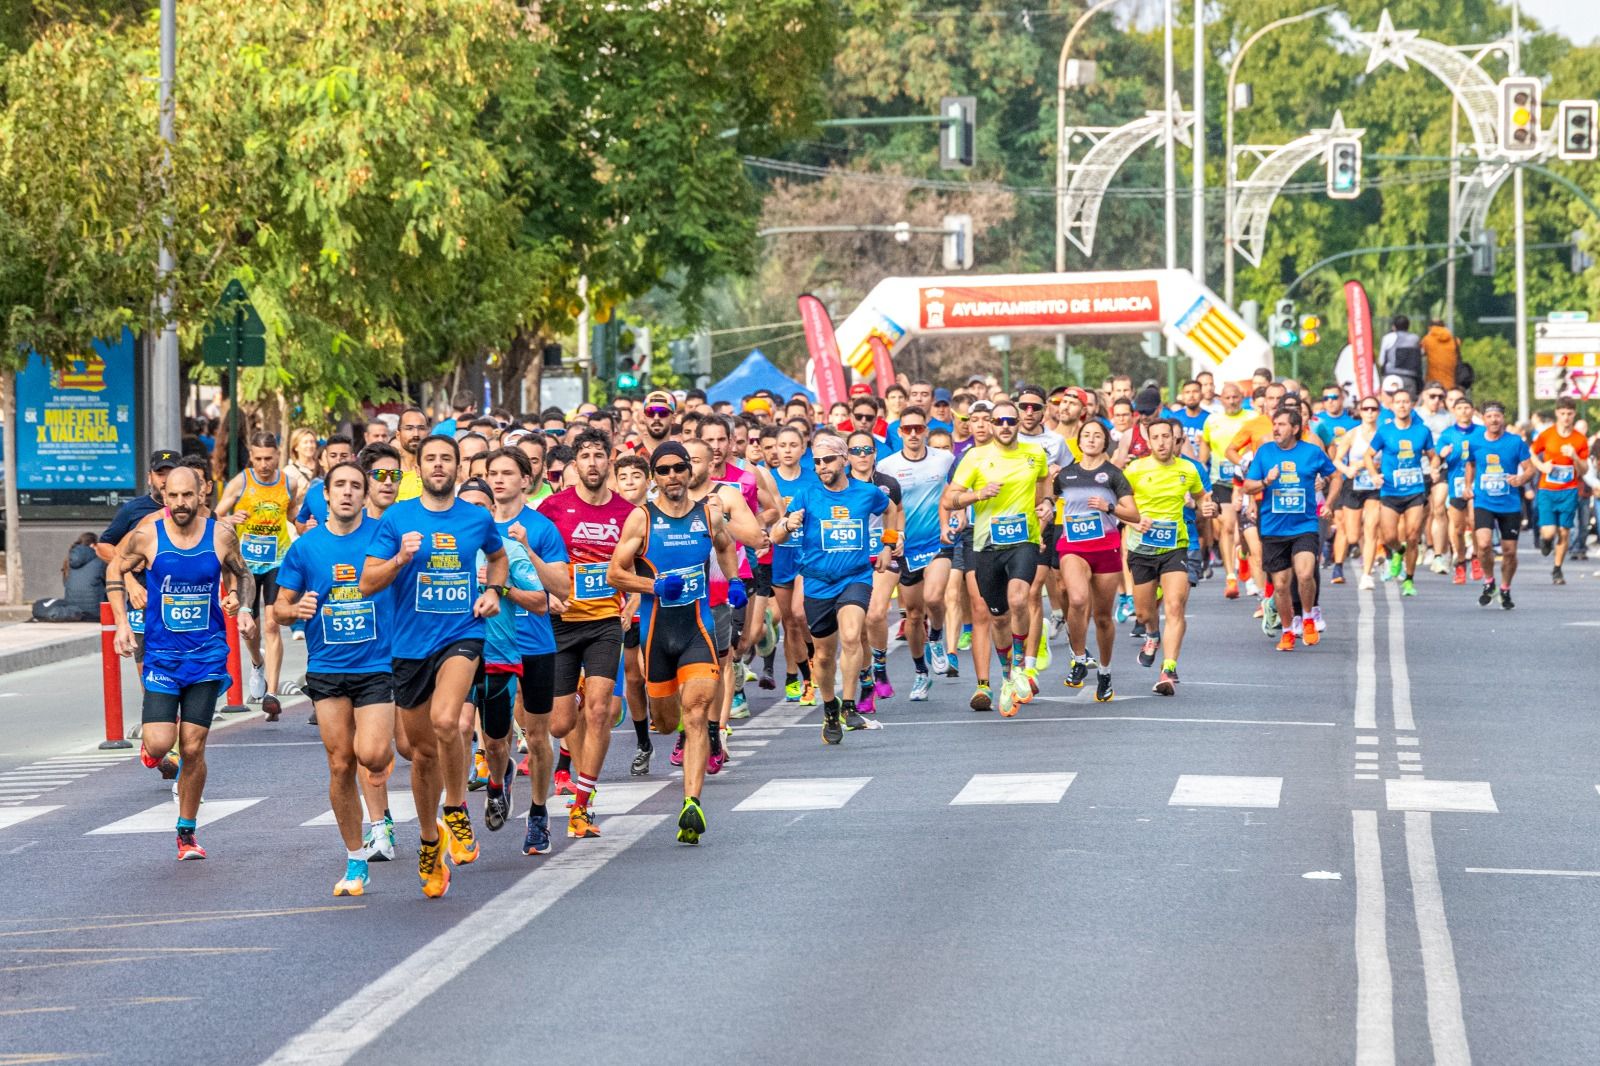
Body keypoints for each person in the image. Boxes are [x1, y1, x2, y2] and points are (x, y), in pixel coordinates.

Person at [361, 434, 508, 898]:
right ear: (417, 467)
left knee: (450, 719)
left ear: (458, 466)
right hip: (409, 647)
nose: (439, 465)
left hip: (462, 634)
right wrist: (402, 558)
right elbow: (367, 582)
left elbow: (498, 558)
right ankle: (429, 839)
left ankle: (457, 808)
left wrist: (493, 592)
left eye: (447, 458)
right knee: (419, 754)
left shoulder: (477, 517)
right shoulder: (397, 518)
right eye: (431, 459)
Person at [108, 466, 254, 860]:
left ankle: (186, 832)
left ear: (202, 493)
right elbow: (113, 567)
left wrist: (239, 599)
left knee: (193, 746)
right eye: (172, 496)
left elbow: (242, 572)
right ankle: (152, 750)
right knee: (159, 742)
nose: (180, 504)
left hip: (206, 656)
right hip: (161, 656)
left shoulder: (220, 535)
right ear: (164, 495)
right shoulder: (147, 536)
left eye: (187, 496)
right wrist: (123, 621)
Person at [272, 461, 395, 896]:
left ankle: (384, 808)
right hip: (327, 669)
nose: (346, 492)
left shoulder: (382, 537)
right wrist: (296, 610)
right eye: (339, 485)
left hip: (378, 664)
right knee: (340, 762)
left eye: (355, 486)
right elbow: (279, 608)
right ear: (326, 495)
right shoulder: (306, 548)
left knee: (373, 755)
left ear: (365, 495)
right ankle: (355, 858)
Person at [608, 442, 736, 844]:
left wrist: (734, 583)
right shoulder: (641, 520)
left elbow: (726, 544)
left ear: (688, 471)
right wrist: (654, 585)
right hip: (656, 635)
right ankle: (672, 726)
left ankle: (691, 803)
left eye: (679, 468)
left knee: (697, 713)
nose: (673, 476)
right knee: (667, 723)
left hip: (697, 630)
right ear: (654, 477)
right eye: (663, 470)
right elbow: (615, 573)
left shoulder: (708, 513)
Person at [536, 428, 636, 839]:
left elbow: (640, 564)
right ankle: (570, 710)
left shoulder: (627, 512)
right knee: (560, 724)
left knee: (599, 711)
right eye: (585, 456)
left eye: (599, 455)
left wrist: (632, 601)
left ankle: (582, 803)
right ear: (574, 465)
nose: (592, 463)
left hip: (604, 624)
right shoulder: (553, 508)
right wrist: (544, 594)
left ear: (609, 460)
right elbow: (530, 560)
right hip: (561, 623)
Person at [771, 431, 888, 743]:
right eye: (817, 461)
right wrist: (787, 525)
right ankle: (829, 708)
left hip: (855, 577)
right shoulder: (807, 496)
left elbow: (891, 509)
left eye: (828, 459)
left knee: (851, 636)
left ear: (844, 460)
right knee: (823, 656)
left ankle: (849, 705)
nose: (821, 465)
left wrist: (891, 541)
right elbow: (775, 536)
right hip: (818, 582)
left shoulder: (866, 492)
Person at [481, 448, 570, 855]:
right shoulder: (474, 526)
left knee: (537, 737)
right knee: (495, 741)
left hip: (534, 643)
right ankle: (498, 783)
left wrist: (502, 585)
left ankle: (538, 814)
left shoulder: (541, 527)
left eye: (507, 473)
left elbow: (555, 593)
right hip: (489, 645)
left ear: (525, 479)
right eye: (492, 473)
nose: (499, 480)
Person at [943, 401, 1051, 717]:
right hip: (986, 545)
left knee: (1020, 598)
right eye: (999, 421)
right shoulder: (975, 457)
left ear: (1019, 423)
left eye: (1010, 420)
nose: (1005, 426)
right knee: (999, 616)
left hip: (1024, 540)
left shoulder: (1036, 454)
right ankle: (1006, 675)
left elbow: (1044, 481)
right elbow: (950, 499)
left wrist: (1045, 502)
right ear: (990, 424)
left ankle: (1019, 664)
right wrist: (977, 495)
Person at [216, 431, 307, 719]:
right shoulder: (241, 482)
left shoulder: (288, 482)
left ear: (278, 455)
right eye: (258, 459)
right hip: (245, 567)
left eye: (269, 458)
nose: (264, 465)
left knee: (272, 624)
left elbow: (293, 513)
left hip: (277, 560)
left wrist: (303, 524)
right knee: (250, 628)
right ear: (250, 456)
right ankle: (257, 663)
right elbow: (213, 516)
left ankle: (272, 693)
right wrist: (229, 518)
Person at [1123, 420, 1215, 695]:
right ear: (1148, 441)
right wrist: (1134, 521)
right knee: (1143, 611)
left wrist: (1205, 505)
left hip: (1176, 546)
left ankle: (1168, 668)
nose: (1162, 442)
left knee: (1175, 605)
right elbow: (1119, 505)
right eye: (1156, 437)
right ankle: (1152, 635)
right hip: (1142, 548)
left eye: (1167, 437)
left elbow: (1202, 496)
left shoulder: (1188, 469)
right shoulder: (1135, 470)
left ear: (1176, 440)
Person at [1053, 421, 1138, 702]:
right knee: (1077, 600)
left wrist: (1109, 507)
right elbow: (1046, 504)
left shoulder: (1114, 475)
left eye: (1097, 436)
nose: (1091, 439)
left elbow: (1133, 515)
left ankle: (1105, 670)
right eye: (1086, 435)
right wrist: (1041, 524)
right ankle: (1078, 658)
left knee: (1102, 618)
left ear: (1105, 443)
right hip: (1073, 547)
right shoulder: (1065, 475)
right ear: (1079, 441)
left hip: (1106, 548)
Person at [1242, 409, 1339, 651]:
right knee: (1282, 585)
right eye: (1274, 424)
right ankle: (1287, 630)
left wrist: (1329, 503)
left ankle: (1307, 618)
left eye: (1282, 424)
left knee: (1305, 574)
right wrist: (1266, 481)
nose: (1275, 428)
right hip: (1274, 528)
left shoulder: (1312, 452)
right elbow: (1248, 486)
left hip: (1304, 525)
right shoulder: (1265, 453)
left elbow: (1336, 476)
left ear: (1295, 429)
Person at [877, 406, 956, 701]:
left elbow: (954, 491)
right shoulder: (886, 466)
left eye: (918, 428)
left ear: (925, 430)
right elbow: (885, 510)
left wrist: (957, 513)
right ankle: (921, 672)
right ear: (899, 432)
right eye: (907, 429)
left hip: (938, 542)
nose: (913, 433)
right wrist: (891, 538)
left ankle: (936, 637)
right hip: (906, 548)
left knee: (934, 598)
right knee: (912, 615)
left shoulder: (944, 458)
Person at [1463, 402, 1533, 609]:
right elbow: (1471, 464)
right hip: (1484, 501)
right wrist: (1468, 486)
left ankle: (1505, 588)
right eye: (1489, 416)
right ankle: (1488, 581)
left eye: (1497, 416)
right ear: (1483, 420)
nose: (1494, 419)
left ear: (1503, 419)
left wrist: (1521, 480)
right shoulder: (1474, 441)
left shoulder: (1515, 442)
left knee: (1509, 551)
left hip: (1510, 504)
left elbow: (1530, 469)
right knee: (1483, 544)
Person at [1365, 389, 1435, 596]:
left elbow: (1433, 454)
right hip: (1390, 490)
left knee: (1413, 535)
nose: (1403, 405)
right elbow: (1369, 456)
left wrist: (1436, 467)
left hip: (1414, 489)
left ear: (1411, 405)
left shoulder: (1422, 431)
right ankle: (1398, 551)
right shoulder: (1385, 431)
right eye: (1398, 402)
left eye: (1406, 402)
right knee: (1388, 536)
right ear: (1392, 406)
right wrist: (1373, 475)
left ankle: (1409, 580)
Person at [770, 425, 819, 707]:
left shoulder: (812, 480)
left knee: (801, 616)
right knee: (789, 622)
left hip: (806, 557)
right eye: (782, 445)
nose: (787, 450)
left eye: (793, 445)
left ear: (803, 449)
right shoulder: (770, 479)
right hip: (780, 557)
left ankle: (813, 660)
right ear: (775, 449)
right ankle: (801, 677)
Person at [1198, 384, 1252, 599]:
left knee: (1242, 533)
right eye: (1228, 397)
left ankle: (1244, 554)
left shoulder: (1252, 418)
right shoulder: (1212, 420)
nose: (1232, 401)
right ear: (1221, 399)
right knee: (1228, 527)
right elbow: (1205, 447)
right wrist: (1201, 467)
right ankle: (1231, 576)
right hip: (1220, 480)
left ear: (1242, 398)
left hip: (1246, 480)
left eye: (1235, 397)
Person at [1531, 396, 1591, 584]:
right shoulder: (1547, 434)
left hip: (1569, 490)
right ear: (1557, 413)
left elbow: (1584, 470)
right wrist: (1541, 467)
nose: (1566, 417)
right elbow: (1532, 452)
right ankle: (1546, 541)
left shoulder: (1579, 439)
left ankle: (1557, 569)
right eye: (1563, 413)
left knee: (1564, 532)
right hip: (1547, 490)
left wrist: (1574, 456)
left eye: (1570, 413)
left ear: (1574, 414)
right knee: (1549, 532)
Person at [1333, 396, 1386, 589]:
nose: (1370, 412)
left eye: (1373, 409)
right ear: (1360, 411)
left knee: (1371, 527)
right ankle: (1365, 551)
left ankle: (1366, 574)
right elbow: (1337, 459)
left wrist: (1375, 466)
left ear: (1378, 411)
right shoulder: (1352, 434)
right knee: (1353, 535)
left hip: (1375, 485)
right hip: (1354, 485)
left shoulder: (1383, 433)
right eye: (1366, 409)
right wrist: (1347, 470)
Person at [98, 449, 180, 563]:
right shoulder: (133, 508)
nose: (165, 480)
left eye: (171, 474)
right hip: (140, 580)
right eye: (160, 474)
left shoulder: (190, 511)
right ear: (149, 478)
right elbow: (103, 546)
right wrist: (127, 563)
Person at [1434, 396, 1480, 585]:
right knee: (1459, 528)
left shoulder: (1481, 432)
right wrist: (1441, 457)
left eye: (1467, 407)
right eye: (1459, 408)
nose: (1463, 411)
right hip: (1456, 484)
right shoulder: (1447, 435)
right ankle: (1460, 562)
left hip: (1478, 484)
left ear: (1472, 410)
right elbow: (1436, 458)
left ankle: (1476, 558)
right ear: (1454, 411)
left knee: (1476, 522)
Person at [296, 435, 356, 531]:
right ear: (326, 457)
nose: (338, 460)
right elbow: (300, 523)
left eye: (344, 456)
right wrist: (305, 528)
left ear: (353, 458)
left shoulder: (363, 490)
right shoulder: (313, 492)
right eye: (333, 456)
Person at [61, 532, 107, 619]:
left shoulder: (68, 561)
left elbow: (65, 583)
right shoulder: (100, 561)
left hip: (72, 612)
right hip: (95, 613)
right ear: (93, 545)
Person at [1379, 315, 1425, 398]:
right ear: (1408, 326)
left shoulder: (1388, 338)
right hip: (1410, 378)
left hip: (1391, 377)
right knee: (1409, 403)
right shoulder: (1415, 339)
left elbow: (1381, 361)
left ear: (1394, 326)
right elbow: (1421, 355)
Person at [1420, 319, 1461, 391]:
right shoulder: (1455, 340)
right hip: (1452, 382)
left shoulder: (1427, 340)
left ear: (1430, 327)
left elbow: (1421, 353)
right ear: (1444, 326)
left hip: (1433, 383)